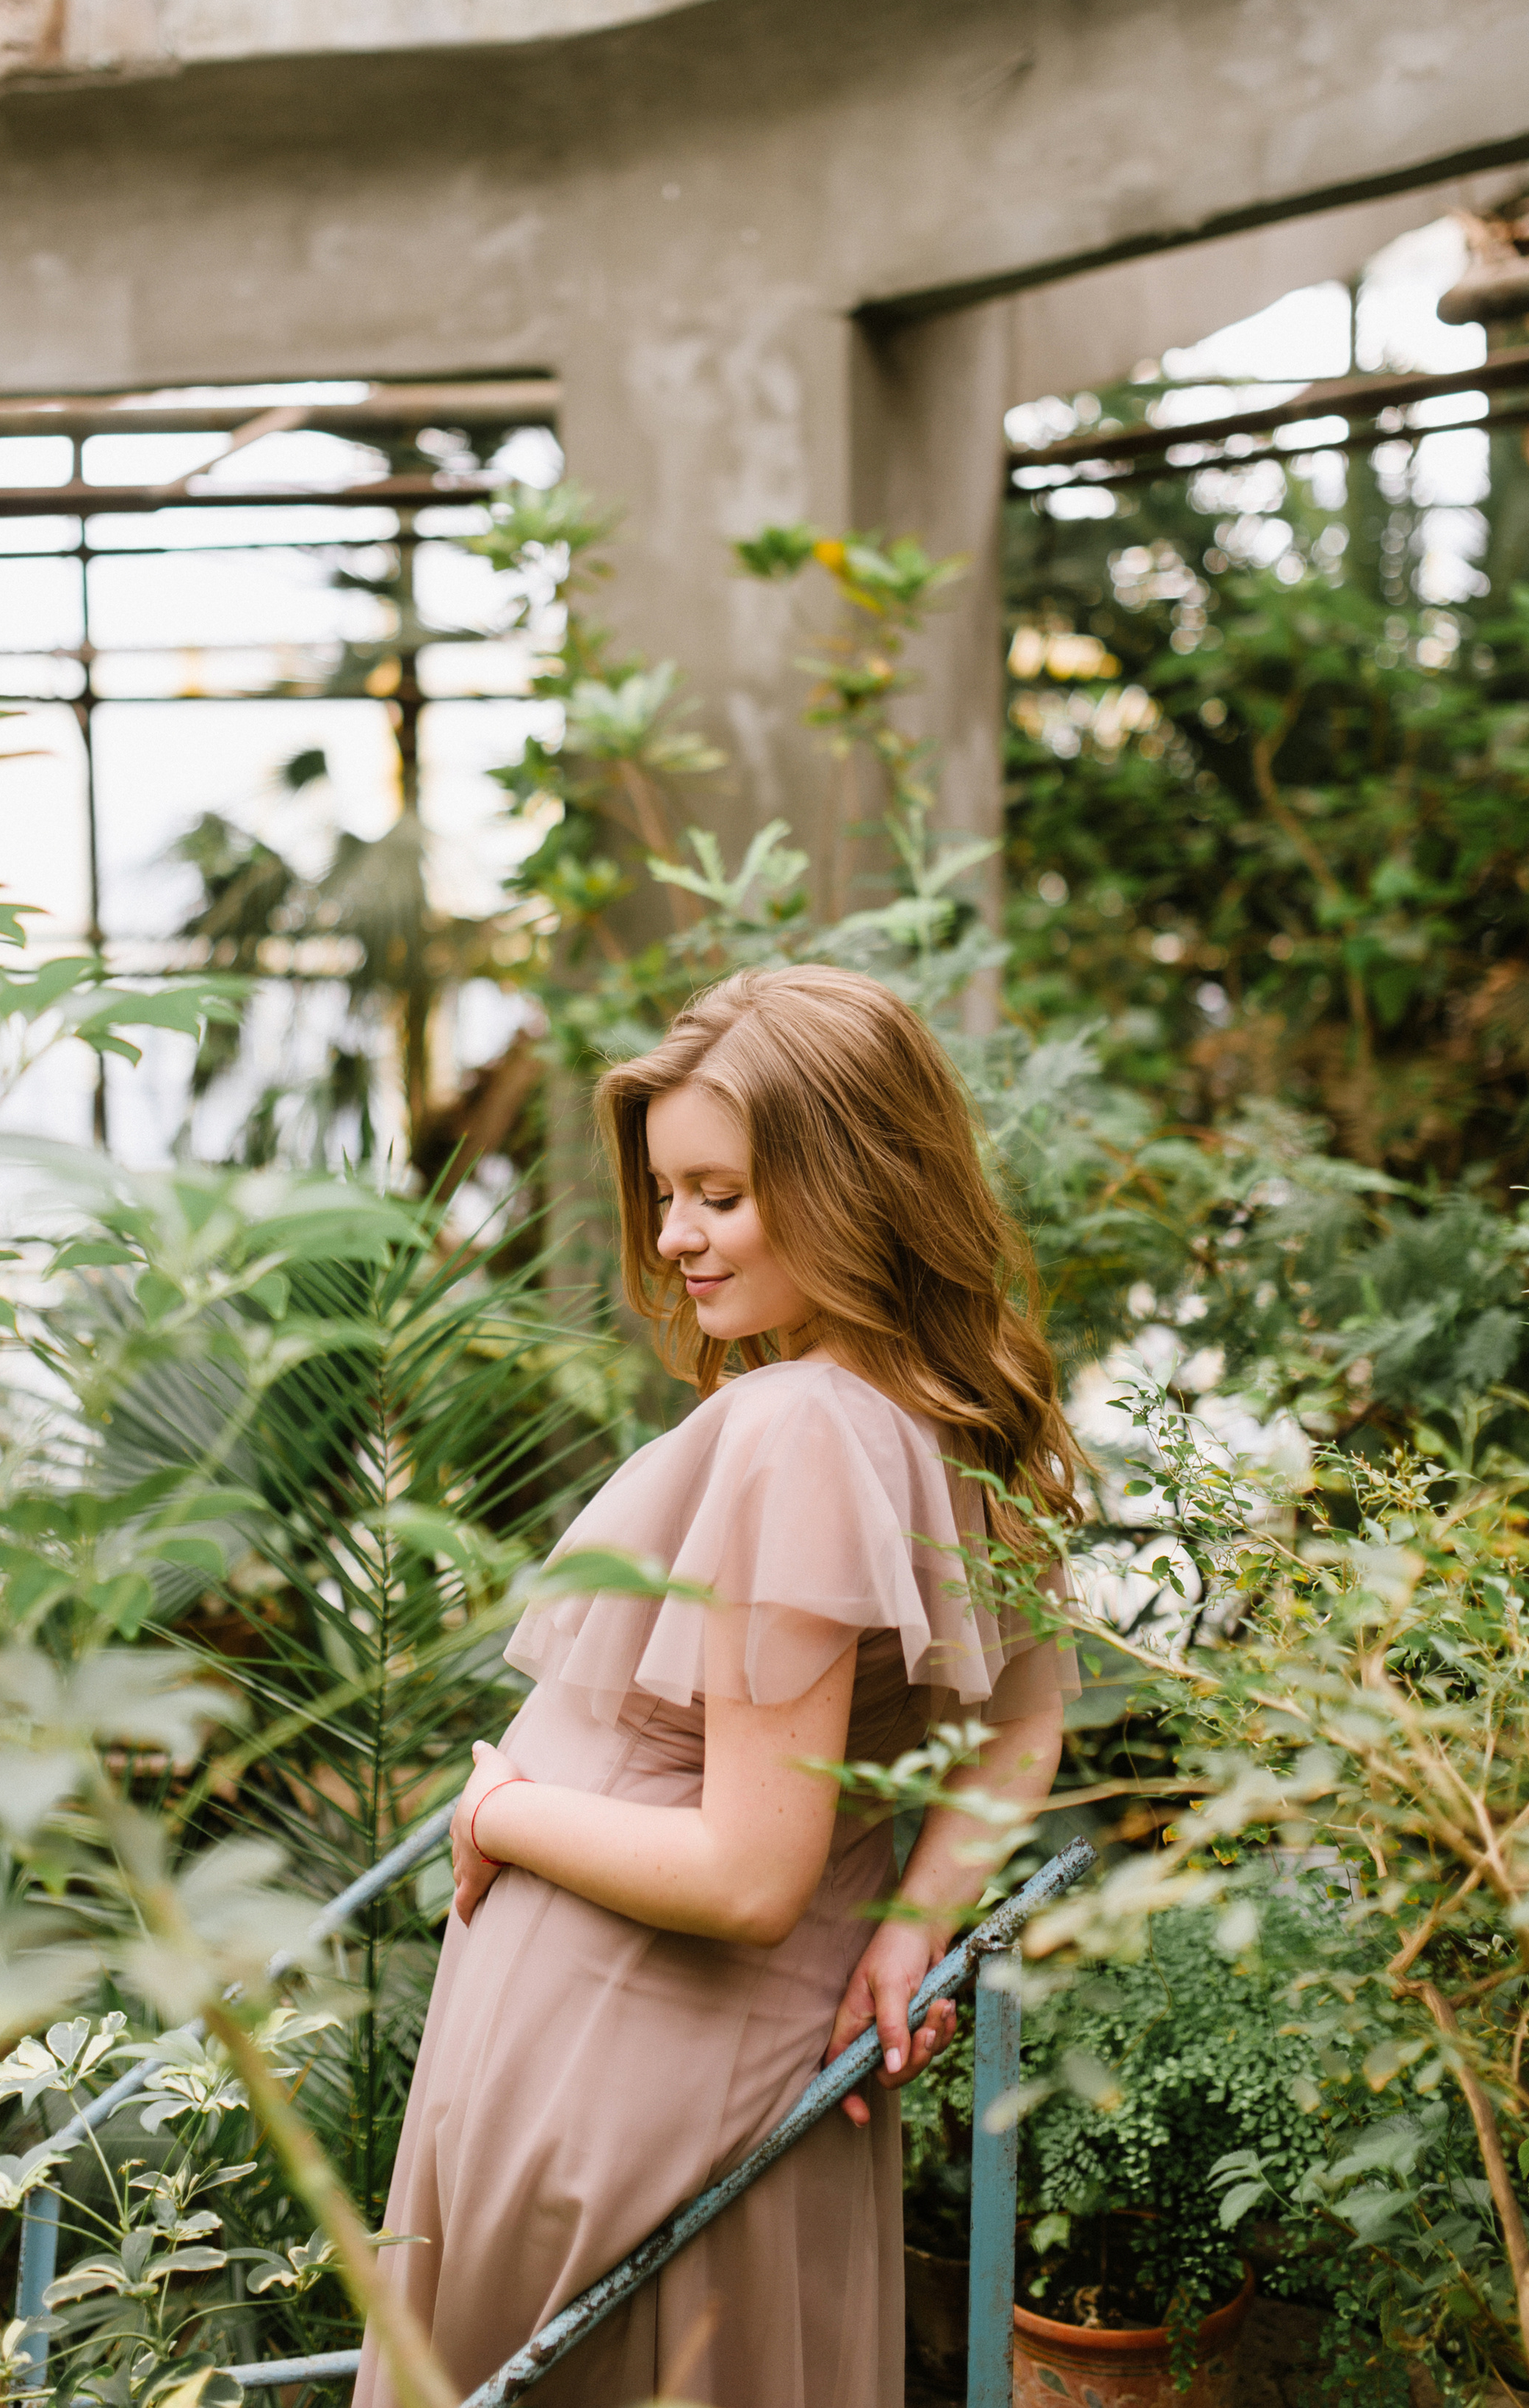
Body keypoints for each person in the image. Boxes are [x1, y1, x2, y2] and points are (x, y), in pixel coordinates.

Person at [351, 965, 1079, 2408]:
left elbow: (747, 1875)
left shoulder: (802, 1425)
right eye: (668, 1193)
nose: (674, 1237)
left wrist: (500, 1815)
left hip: (628, 2068)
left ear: (856, 1182)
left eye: (718, 1195)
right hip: (730, 2057)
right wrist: (908, 1929)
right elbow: (1028, 1723)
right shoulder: (959, 1402)